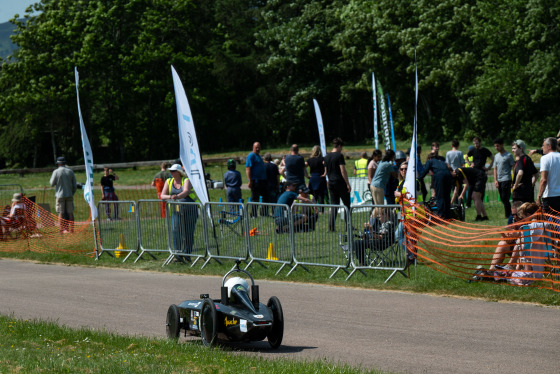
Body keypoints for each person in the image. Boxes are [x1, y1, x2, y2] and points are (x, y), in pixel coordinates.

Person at [160, 164, 199, 257]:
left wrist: (177, 196)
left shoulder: (186, 180)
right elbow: (162, 195)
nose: (171, 173)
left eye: (173, 171)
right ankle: (177, 254)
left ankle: (187, 254)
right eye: (171, 171)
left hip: (190, 210)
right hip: (176, 211)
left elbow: (186, 191)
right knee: (175, 231)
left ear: (179, 172)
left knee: (188, 232)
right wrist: (170, 197)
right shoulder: (168, 181)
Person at [324, 138, 351, 231]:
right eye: (341, 147)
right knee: (347, 204)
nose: (341, 149)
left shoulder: (326, 156)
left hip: (331, 182)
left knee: (334, 205)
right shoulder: (339, 156)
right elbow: (342, 170)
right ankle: (348, 226)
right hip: (340, 181)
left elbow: (326, 171)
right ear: (339, 146)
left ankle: (331, 227)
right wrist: (347, 183)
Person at [488, 201, 523, 273]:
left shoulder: (528, 219)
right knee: (502, 244)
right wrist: (505, 237)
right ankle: (491, 271)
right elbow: (509, 236)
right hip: (515, 247)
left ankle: (512, 269)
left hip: (526, 248)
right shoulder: (512, 219)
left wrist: (517, 234)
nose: (515, 216)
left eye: (517, 214)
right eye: (513, 214)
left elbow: (531, 234)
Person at [420, 152, 453, 219]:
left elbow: (425, 171)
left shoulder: (430, 161)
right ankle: (448, 215)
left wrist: (418, 179)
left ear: (429, 158)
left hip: (439, 176)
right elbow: (450, 168)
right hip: (448, 175)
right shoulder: (442, 161)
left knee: (440, 196)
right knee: (447, 196)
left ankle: (440, 215)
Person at [49, 156, 77, 233]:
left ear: (58, 164)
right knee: (70, 212)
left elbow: (51, 183)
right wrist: (72, 193)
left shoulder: (56, 172)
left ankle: (61, 230)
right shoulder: (70, 171)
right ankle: (72, 230)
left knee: (60, 212)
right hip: (69, 194)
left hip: (60, 195)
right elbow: (75, 185)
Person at [467, 136, 493, 204]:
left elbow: (492, 158)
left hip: (482, 171)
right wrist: (470, 165)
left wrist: (488, 168)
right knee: (471, 187)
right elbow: (466, 157)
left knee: (482, 187)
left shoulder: (485, 150)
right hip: (474, 171)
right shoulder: (473, 150)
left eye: (477, 143)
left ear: (480, 143)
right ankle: (468, 204)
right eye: (475, 143)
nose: (476, 145)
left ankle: (481, 201)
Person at [493, 137, 515, 219]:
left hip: (507, 179)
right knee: (502, 198)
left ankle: (508, 214)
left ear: (502, 145)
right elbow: (495, 168)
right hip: (499, 180)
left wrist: (514, 177)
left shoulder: (508, 155)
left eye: (498, 146)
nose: (496, 148)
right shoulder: (496, 156)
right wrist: (495, 180)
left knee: (505, 197)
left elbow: (513, 166)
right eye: (495, 146)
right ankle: (510, 213)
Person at [370, 149, 396, 216]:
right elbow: (395, 175)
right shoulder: (388, 165)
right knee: (379, 207)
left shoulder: (382, 162)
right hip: (378, 186)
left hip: (373, 185)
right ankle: (370, 223)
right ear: (391, 157)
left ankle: (371, 223)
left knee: (378, 206)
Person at [537, 137, 560, 213]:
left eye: (543, 145)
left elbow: (543, 179)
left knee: (551, 222)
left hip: (550, 196)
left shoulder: (545, 158)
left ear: (549, 146)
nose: (542, 147)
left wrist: (539, 196)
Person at [245, 142, 268, 216]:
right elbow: (248, 168)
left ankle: (264, 213)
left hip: (262, 180)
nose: (258, 149)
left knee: (265, 197)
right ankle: (253, 214)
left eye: (259, 147)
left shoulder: (259, 156)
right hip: (255, 181)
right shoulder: (251, 156)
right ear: (253, 147)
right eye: (256, 147)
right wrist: (250, 180)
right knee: (255, 198)